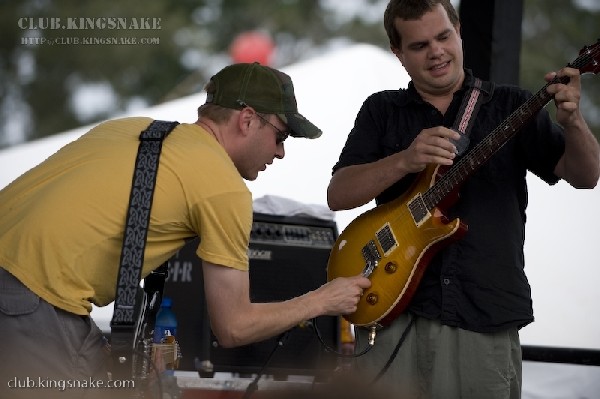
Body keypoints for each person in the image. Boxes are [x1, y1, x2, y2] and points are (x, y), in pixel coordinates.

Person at [0, 62, 371, 399]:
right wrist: (323, 300)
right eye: (281, 136)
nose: (280, 153)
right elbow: (234, 328)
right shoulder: (223, 187)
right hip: (30, 299)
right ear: (247, 119)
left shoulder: (129, 129)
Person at [327, 1, 599, 398]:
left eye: (443, 37)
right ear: (398, 53)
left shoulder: (510, 105)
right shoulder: (381, 110)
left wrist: (573, 121)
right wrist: (405, 160)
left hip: (482, 314)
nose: (436, 51)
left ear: (458, 32)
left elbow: (586, 176)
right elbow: (339, 194)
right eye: (419, 46)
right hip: (393, 310)